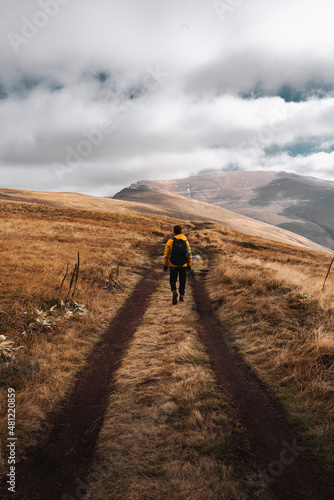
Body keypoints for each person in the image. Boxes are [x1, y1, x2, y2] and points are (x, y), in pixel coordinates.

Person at [163, 225, 192, 305]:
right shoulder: (186, 241)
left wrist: (165, 264)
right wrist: (189, 265)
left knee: (172, 280)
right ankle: (181, 297)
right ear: (181, 232)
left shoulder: (170, 241)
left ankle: (174, 291)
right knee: (183, 280)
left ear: (174, 232)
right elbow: (189, 254)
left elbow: (166, 254)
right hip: (183, 265)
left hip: (173, 265)